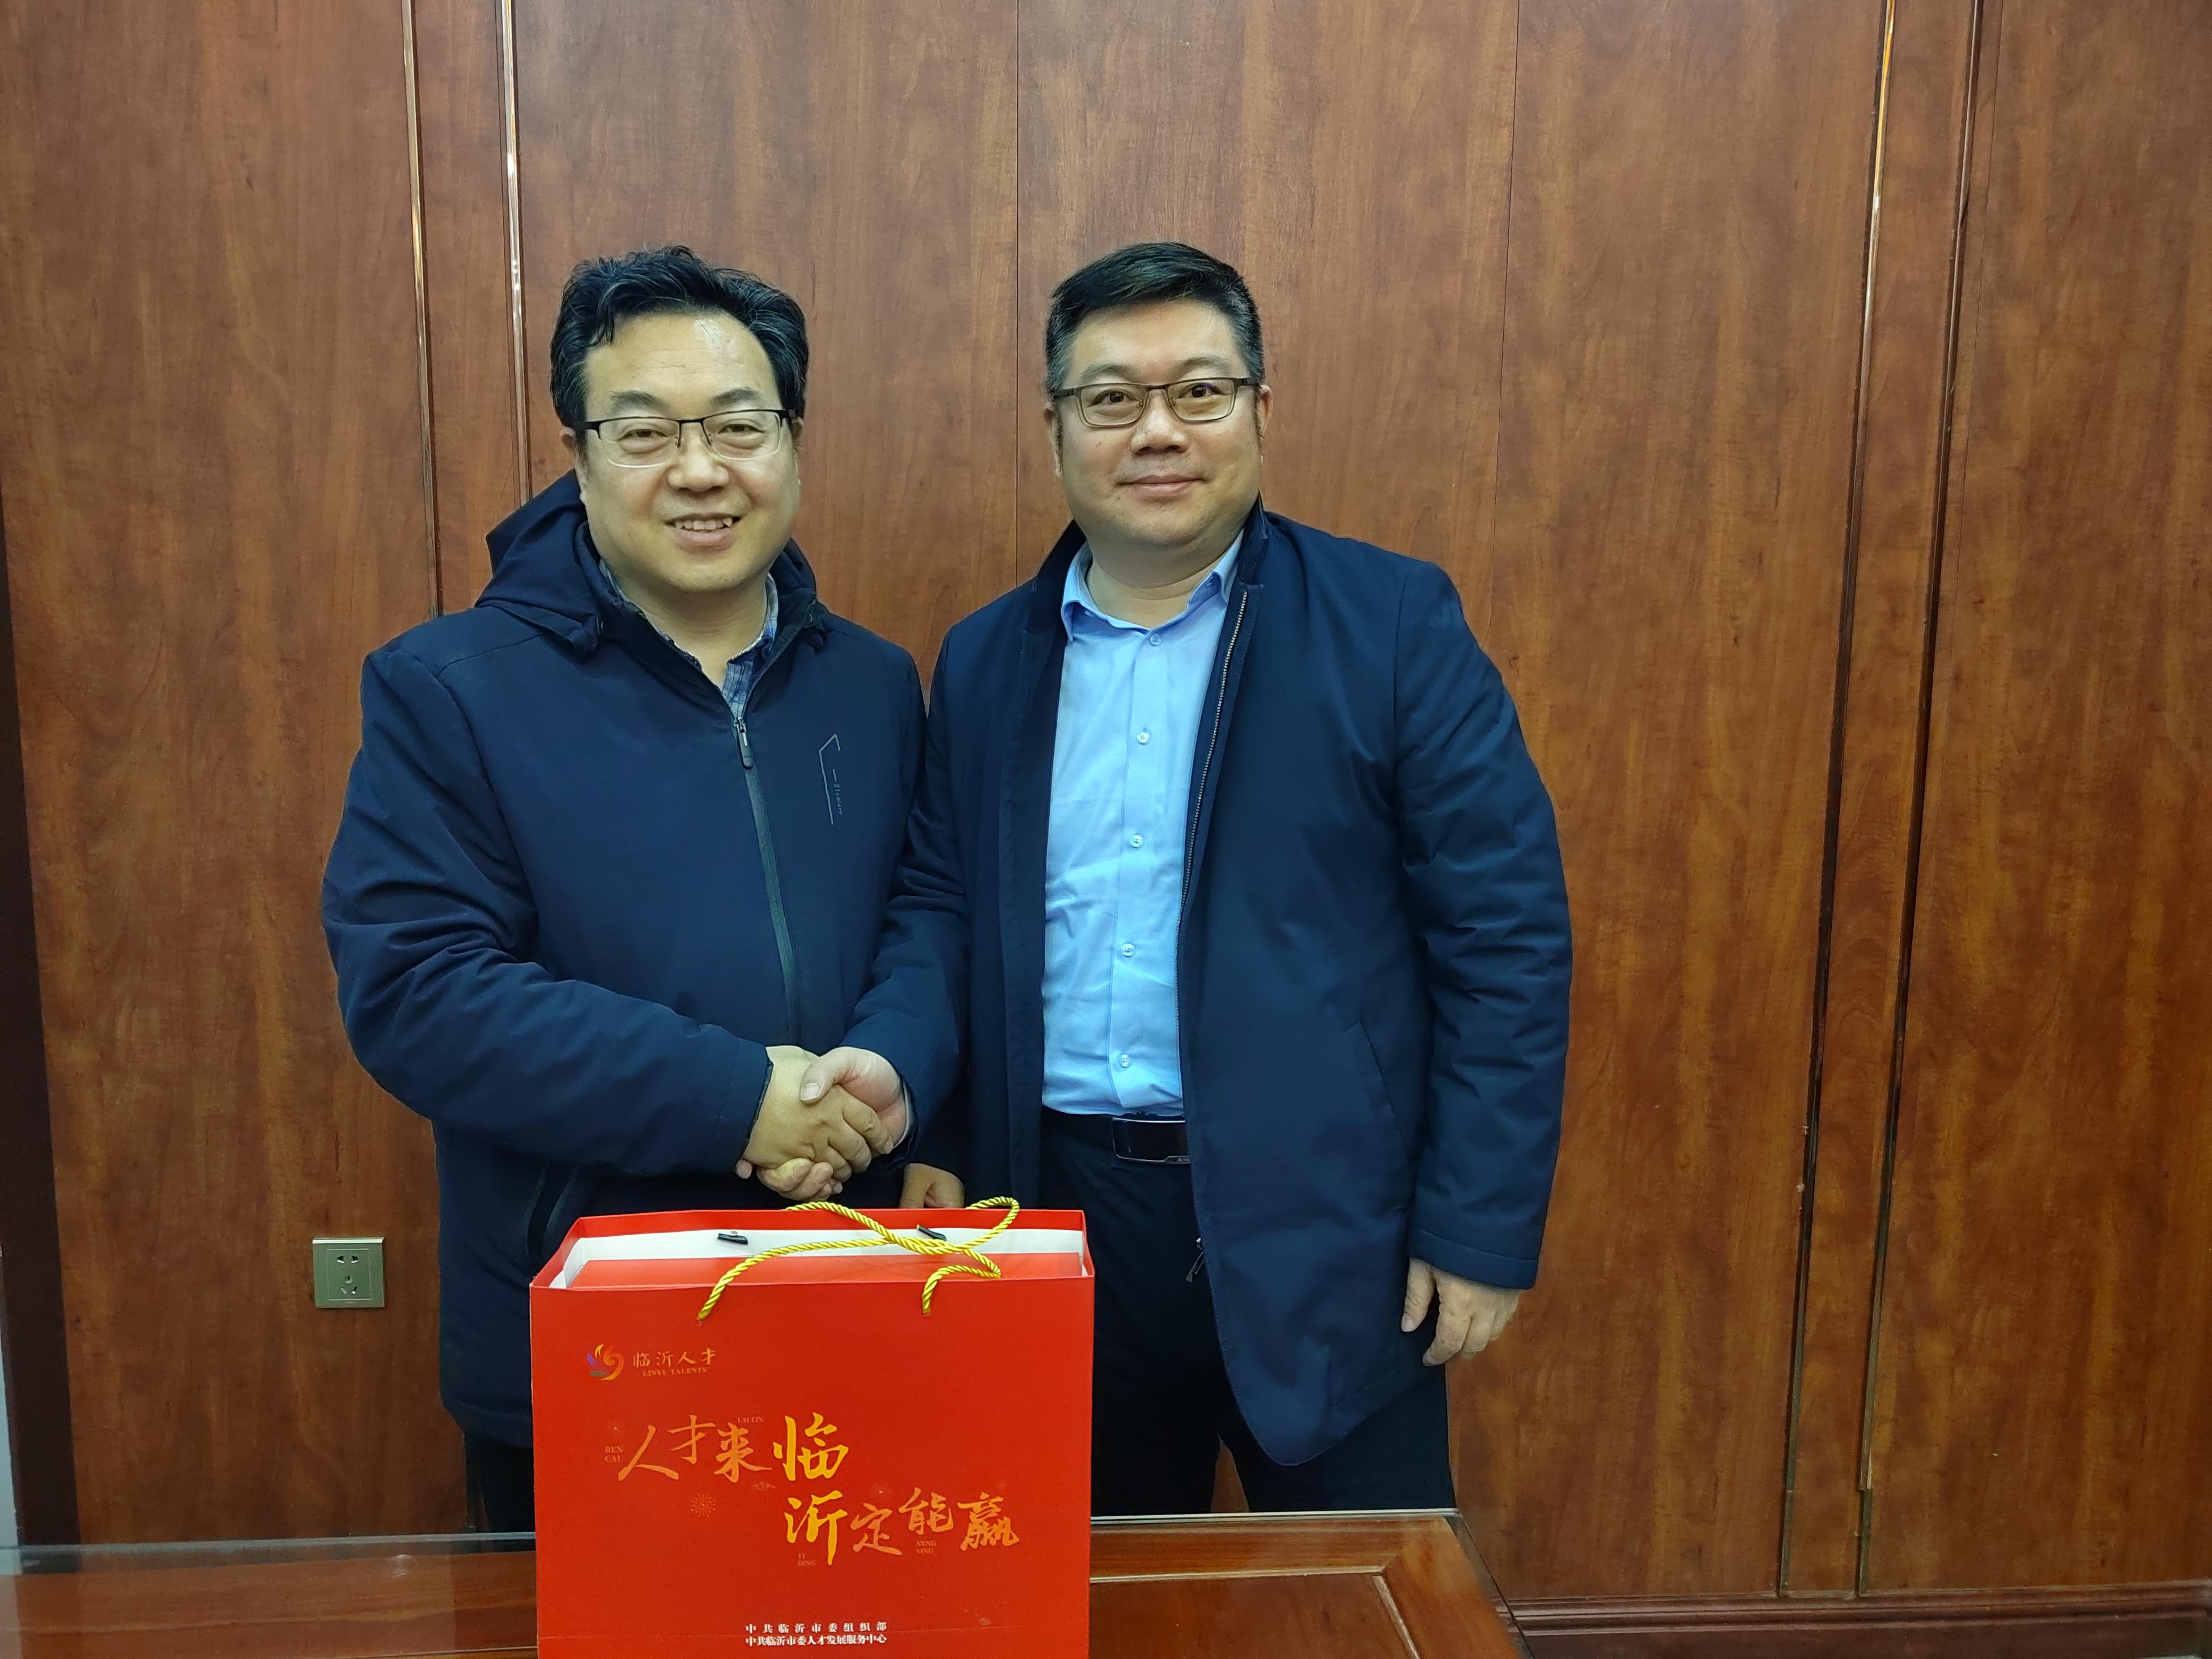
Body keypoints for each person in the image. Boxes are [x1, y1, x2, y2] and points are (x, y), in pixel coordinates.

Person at [799, 242, 1573, 1515]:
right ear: (1055, 428)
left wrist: (1477, 1226)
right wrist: (928, 1122)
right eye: (1111, 398)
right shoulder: (987, 659)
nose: (1156, 431)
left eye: (1198, 392)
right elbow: (947, 910)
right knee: (1086, 1591)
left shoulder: (1390, 625)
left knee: (1345, 1595)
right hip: (1057, 1217)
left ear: (1260, 410)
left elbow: (1506, 941)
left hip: (1330, 1228)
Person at [323, 245, 925, 1531]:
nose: (699, 470)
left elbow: (930, 913)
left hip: (857, 1289)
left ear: (792, 439)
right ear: (579, 451)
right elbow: (420, 993)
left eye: (739, 426)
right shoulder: (450, 689)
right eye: (646, 431)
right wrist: (734, 1097)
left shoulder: (872, 684)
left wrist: (895, 1067)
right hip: (593, 1328)